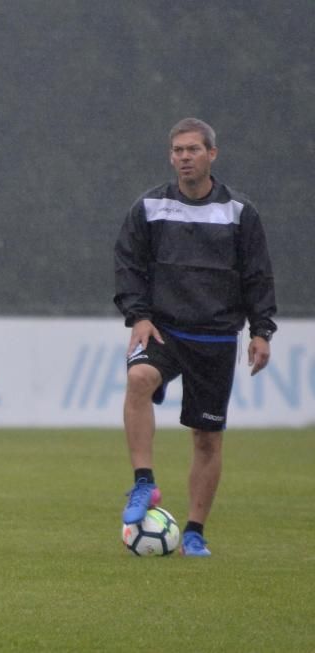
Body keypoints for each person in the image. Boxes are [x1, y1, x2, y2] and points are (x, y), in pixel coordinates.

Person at [113, 117, 276, 557]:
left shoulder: (240, 213)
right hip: (163, 329)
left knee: (206, 438)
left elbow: (258, 276)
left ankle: (194, 532)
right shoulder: (149, 207)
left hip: (216, 338)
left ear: (212, 155)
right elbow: (128, 264)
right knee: (139, 379)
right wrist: (138, 317)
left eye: (192, 150)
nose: (184, 157)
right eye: (177, 151)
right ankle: (143, 484)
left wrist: (261, 330)